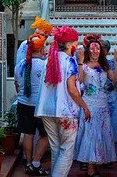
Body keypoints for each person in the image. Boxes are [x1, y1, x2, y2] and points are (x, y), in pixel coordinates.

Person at [36, 26, 91, 177]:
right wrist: (84, 106)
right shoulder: (69, 61)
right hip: (65, 111)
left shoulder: (49, 60)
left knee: (56, 148)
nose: (77, 46)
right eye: (75, 43)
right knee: (66, 151)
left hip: (47, 110)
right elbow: (72, 89)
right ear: (69, 45)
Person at [75, 35, 117, 176]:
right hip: (90, 105)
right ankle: (90, 167)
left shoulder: (104, 65)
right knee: (91, 135)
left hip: (103, 105)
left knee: (101, 134)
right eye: (92, 49)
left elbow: (114, 80)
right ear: (88, 50)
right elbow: (80, 80)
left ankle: (96, 162)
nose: (95, 51)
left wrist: (115, 62)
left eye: (98, 49)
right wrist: (80, 63)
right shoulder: (84, 65)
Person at [15, 34, 50, 176]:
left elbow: (17, 85)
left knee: (28, 134)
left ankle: (29, 163)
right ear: (41, 49)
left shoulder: (20, 65)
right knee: (46, 135)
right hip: (39, 106)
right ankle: (36, 162)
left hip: (23, 104)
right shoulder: (44, 65)